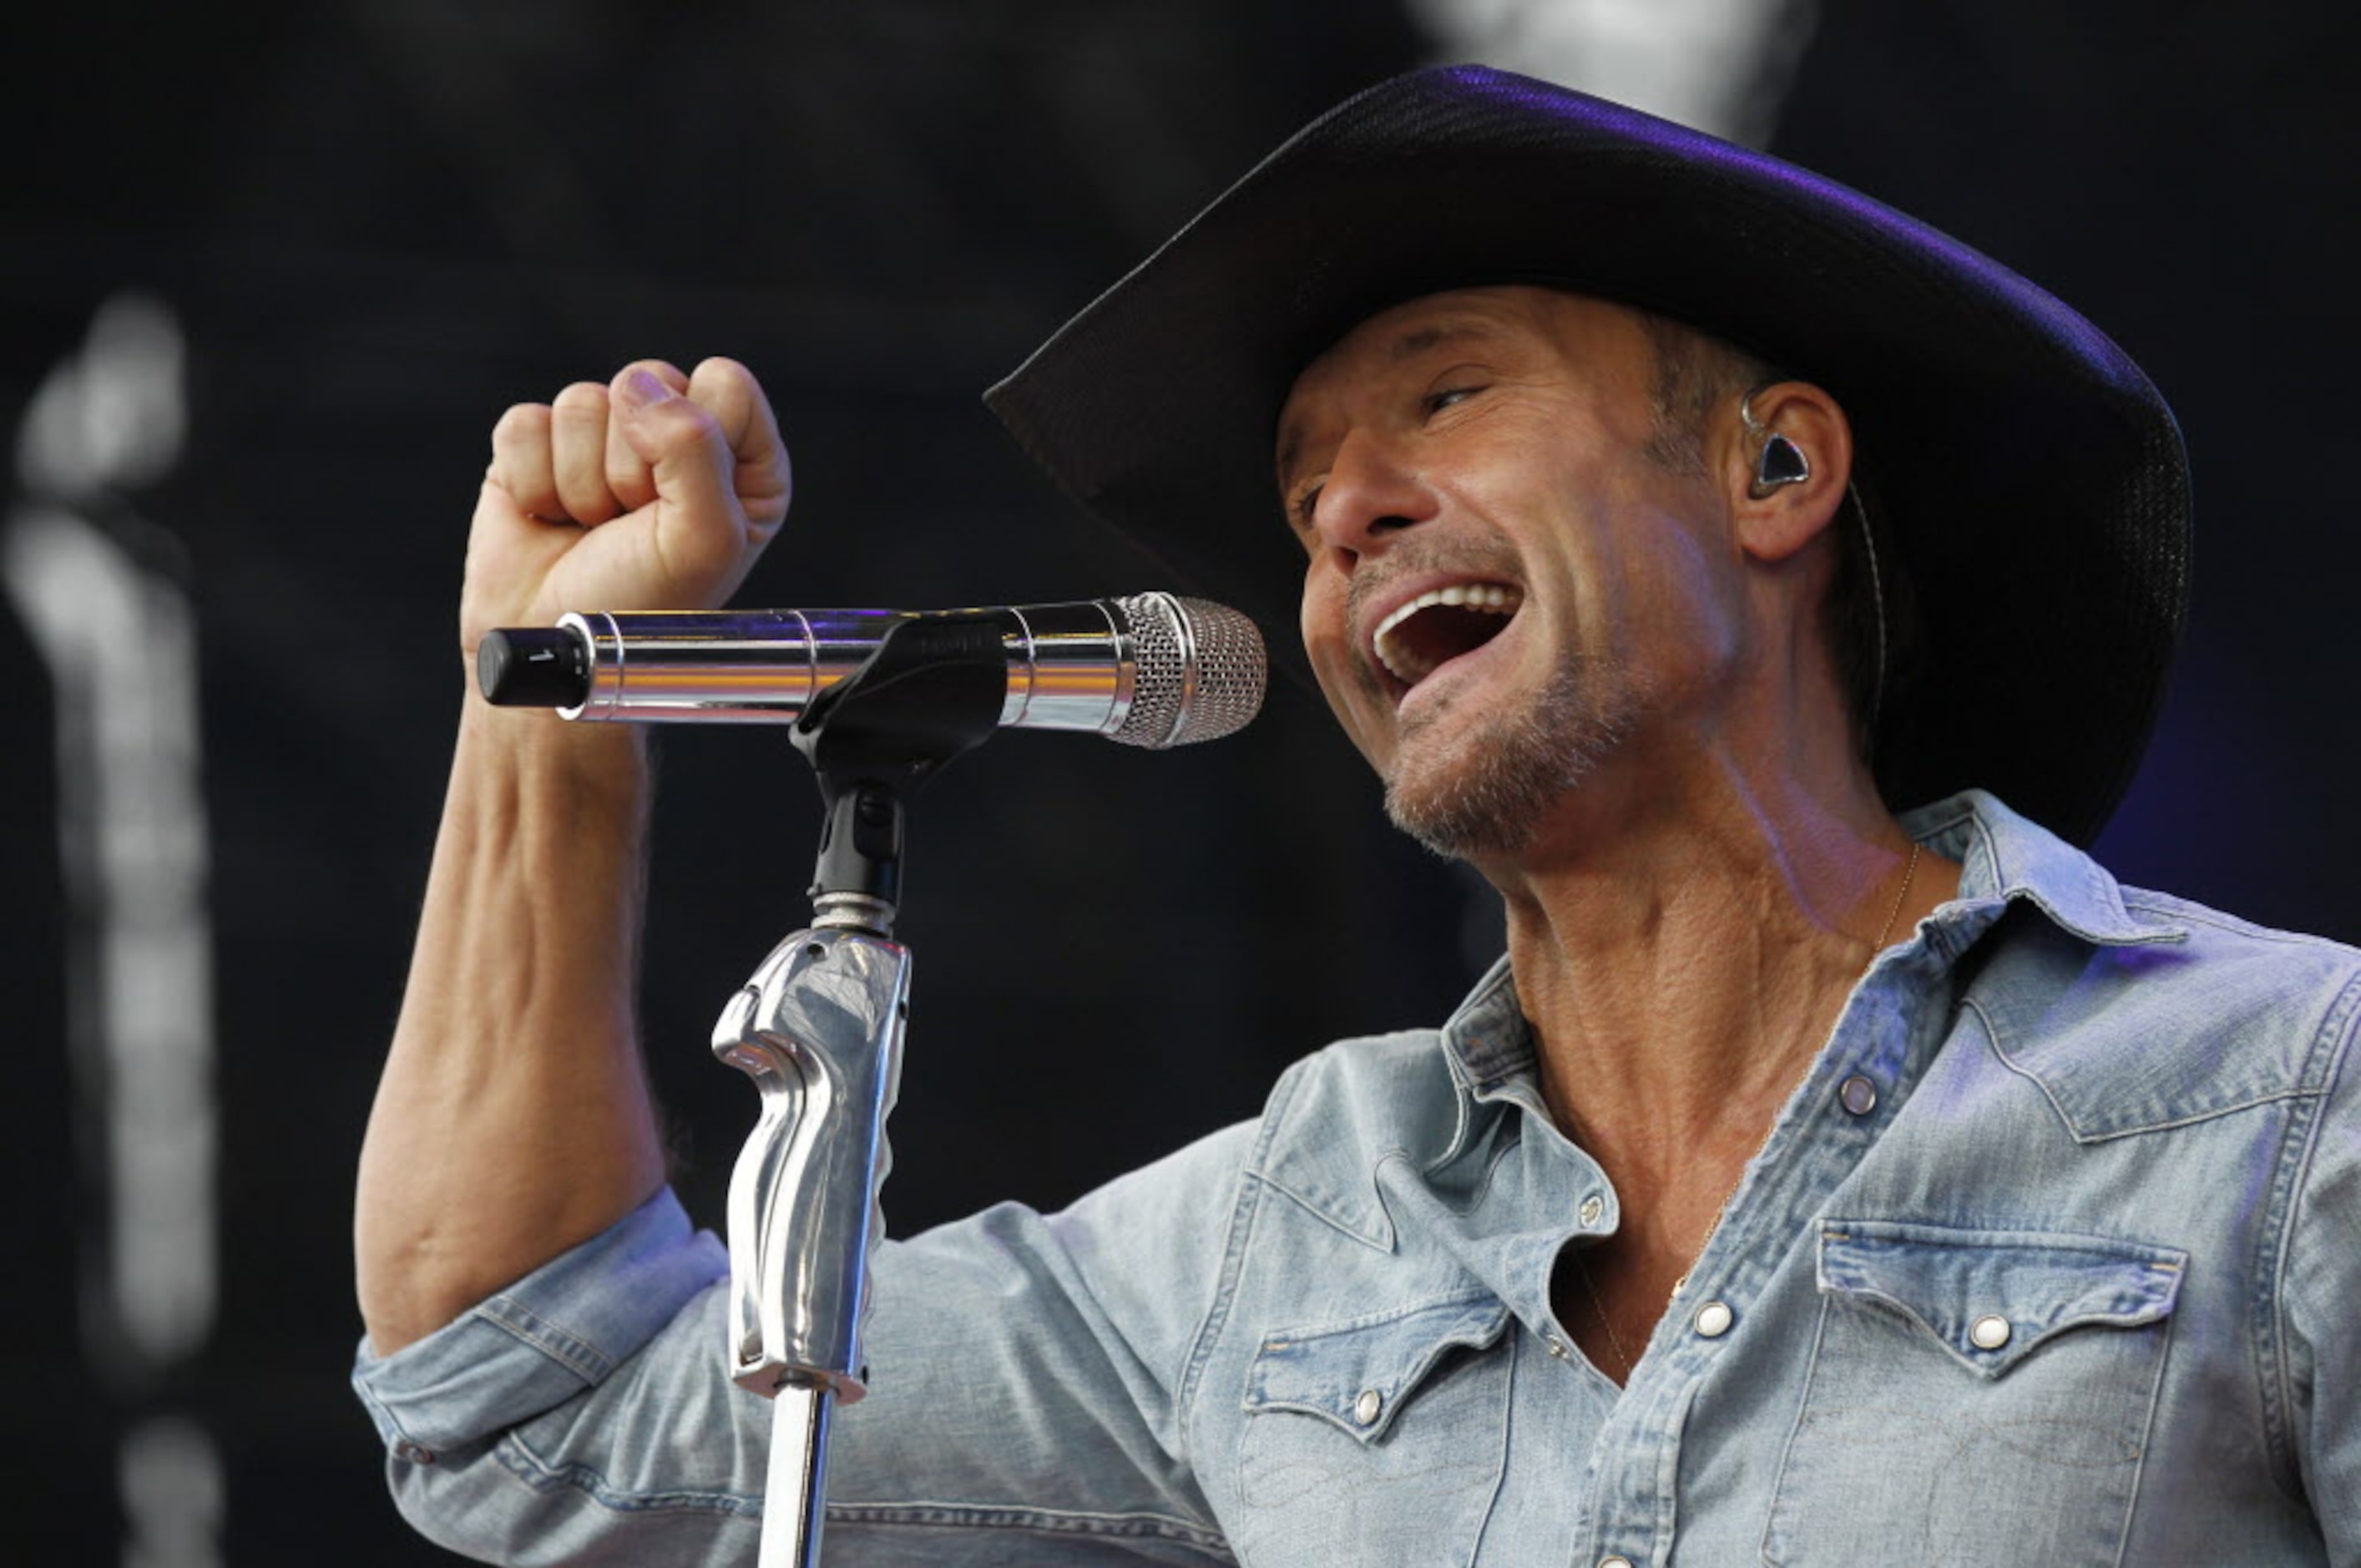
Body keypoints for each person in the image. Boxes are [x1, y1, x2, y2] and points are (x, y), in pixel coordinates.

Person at [351, 66, 2358, 1565]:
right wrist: (545, 695)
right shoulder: (1278, 1242)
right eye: (1304, 484)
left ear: (1772, 468)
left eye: (1444, 396)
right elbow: (537, 1404)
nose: (1337, 511)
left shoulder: (2281, 1104)